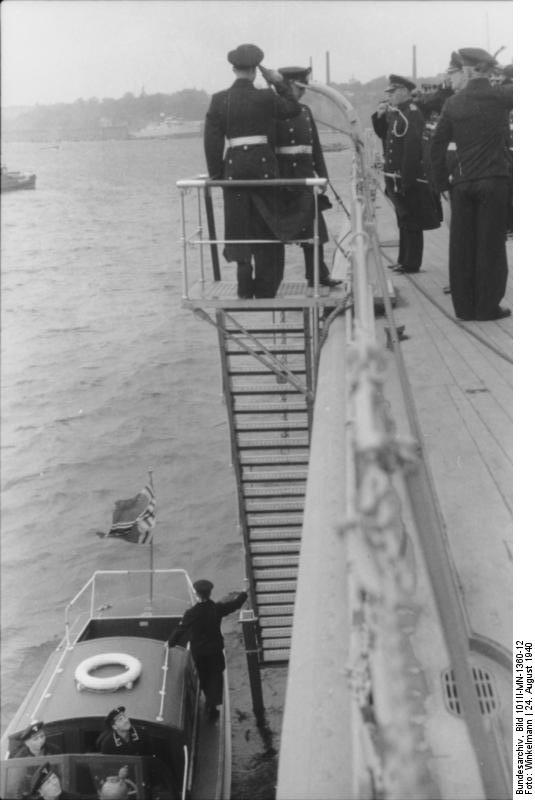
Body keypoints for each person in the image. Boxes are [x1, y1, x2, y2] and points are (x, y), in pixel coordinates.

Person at [204, 43, 301, 298]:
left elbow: (212, 141)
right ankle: (267, 288)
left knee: (238, 227)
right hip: (264, 171)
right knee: (268, 225)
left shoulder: (219, 100)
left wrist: (217, 175)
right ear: (255, 72)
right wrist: (279, 83)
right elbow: (293, 108)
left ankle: (244, 286)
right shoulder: (266, 97)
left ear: (234, 69)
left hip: (234, 172)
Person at [430, 47, 513, 321]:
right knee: (490, 246)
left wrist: (441, 181)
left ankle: (464, 307)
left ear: (465, 69)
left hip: (462, 184)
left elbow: (437, 144)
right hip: (493, 181)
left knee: (462, 246)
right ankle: (487, 307)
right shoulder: (502, 97)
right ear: (487, 70)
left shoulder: (453, 103)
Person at [273, 66, 342, 289]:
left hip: (304, 178)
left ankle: (317, 275)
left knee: (315, 229)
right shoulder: (272, 109)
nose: (302, 93)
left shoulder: (304, 111)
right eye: (299, 87)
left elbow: (315, 148)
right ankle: (271, 280)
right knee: (275, 232)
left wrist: (323, 176)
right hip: (282, 179)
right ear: (288, 85)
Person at [371, 74, 440, 274]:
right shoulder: (398, 113)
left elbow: (411, 150)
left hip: (406, 177)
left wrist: (405, 180)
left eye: (392, 93)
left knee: (412, 220)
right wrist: (379, 116)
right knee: (404, 219)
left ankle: (412, 262)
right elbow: (386, 136)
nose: (390, 96)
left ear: (403, 92)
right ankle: (403, 259)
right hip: (396, 176)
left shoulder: (412, 113)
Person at [168, 579, 247, 721]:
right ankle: (214, 704)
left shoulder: (191, 613)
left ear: (197, 594)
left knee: (204, 677)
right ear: (210, 593)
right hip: (215, 650)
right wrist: (244, 592)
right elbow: (235, 604)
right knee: (216, 676)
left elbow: (181, 629)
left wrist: (170, 644)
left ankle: (210, 702)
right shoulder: (217, 608)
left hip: (199, 653)